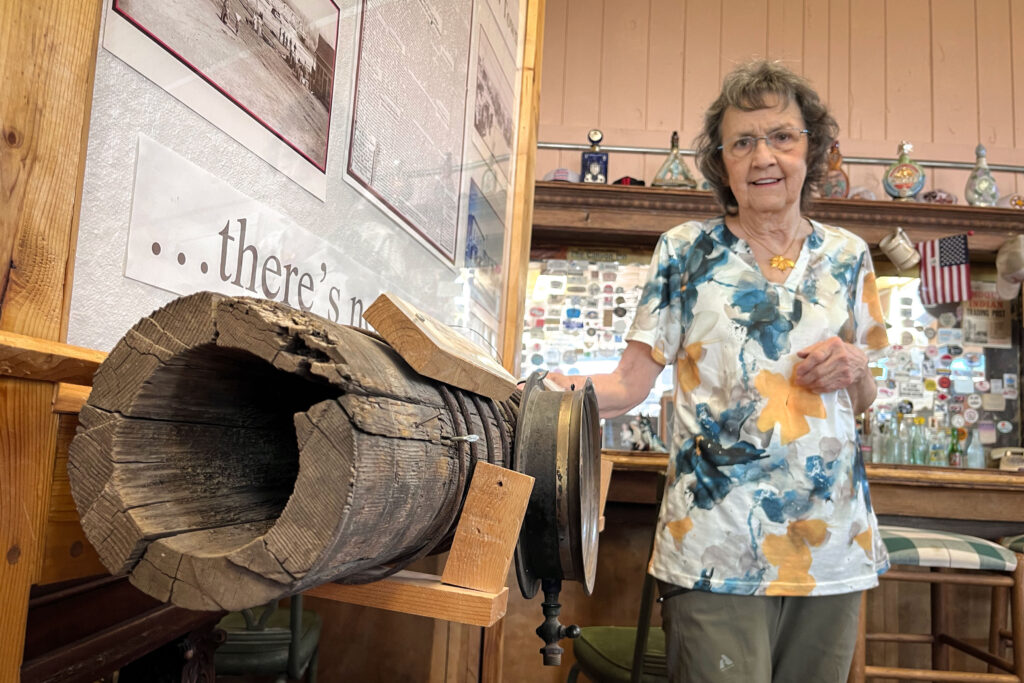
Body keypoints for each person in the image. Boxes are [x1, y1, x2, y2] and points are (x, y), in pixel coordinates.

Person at [547, 60, 891, 682]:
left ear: (811, 149)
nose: (764, 155)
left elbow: (862, 398)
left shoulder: (848, 257)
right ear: (723, 163)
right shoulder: (686, 250)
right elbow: (628, 385)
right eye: (743, 141)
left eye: (782, 136)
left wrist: (855, 363)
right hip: (715, 543)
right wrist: (543, 389)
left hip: (833, 546)